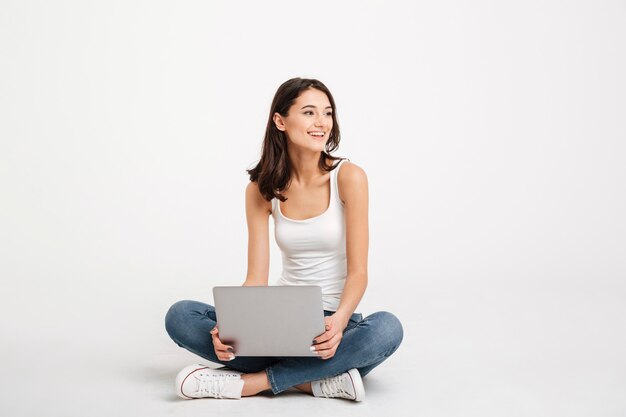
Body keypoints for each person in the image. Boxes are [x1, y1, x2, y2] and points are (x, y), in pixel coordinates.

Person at [165, 77, 403, 401]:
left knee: (387, 329)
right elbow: (255, 278)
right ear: (280, 120)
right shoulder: (260, 190)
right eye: (309, 112)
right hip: (277, 322)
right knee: (180, 316)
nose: (322, 123)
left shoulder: (349, 177)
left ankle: (253, 382)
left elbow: (358, 272)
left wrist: (340, 321)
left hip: (332, 325)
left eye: (328, 113)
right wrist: (232, 327)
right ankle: (316, 379)